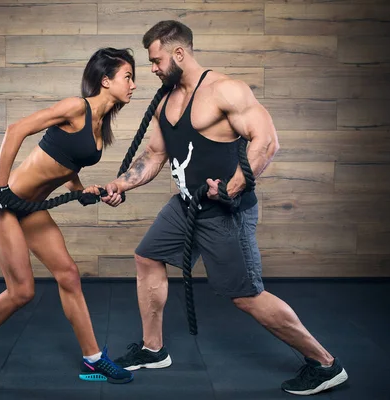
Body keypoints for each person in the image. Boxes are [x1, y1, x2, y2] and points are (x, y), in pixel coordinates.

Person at [100, 21, 349, 396]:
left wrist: (231, 189)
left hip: (224, 213)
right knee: (147, 256)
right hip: (186, 206)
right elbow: (155, 156)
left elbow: (266, 141)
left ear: (179, 53)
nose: (152, 69)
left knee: (245, 294)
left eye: (156, 60)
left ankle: (325, 363)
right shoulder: (165, 101)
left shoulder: (224, 90)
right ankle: (154, 350)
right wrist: (122, 182)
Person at [0, 47, 137, 388]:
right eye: (128, 77)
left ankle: (93, 358)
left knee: (69, 275)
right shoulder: (76, 108)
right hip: (3, 206)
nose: (134, 85)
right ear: (106, 81)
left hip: (31, 210)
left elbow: (64, 165)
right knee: (22, 292)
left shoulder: (99, 124)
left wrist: (82, 190)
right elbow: (17, 130)